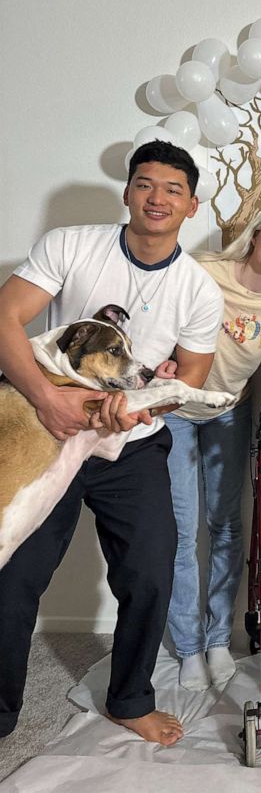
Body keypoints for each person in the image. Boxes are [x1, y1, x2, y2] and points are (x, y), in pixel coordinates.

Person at [0, 141, 223, 746]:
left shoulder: (199, 290)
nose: (158, 198)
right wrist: (48, 399)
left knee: (151, 572)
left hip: (132, 445)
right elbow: (5, 318)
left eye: (173, 190)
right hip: (51, 431)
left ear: (191, 206)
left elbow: (188, 386)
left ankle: (129, 699)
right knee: (14, 574)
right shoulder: (69, 245)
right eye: (145, 184)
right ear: (127, 193)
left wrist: (141, 404)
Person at [164, 205, 261, 692]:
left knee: (226, 527)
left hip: (230, 412)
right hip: (177, 410)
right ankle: (187, 647)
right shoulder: (203, 270)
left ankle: (216, 640)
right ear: (256, 234)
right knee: (182, 531)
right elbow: (157, 313)